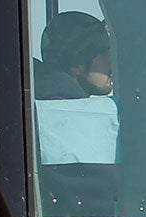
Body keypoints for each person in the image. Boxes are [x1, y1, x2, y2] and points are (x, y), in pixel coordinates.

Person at [33, 11, 120, 166]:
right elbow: (101, 181)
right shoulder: (68, 116)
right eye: (106, 53)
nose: (113, 62)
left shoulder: (45, 102)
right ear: (77, 65)